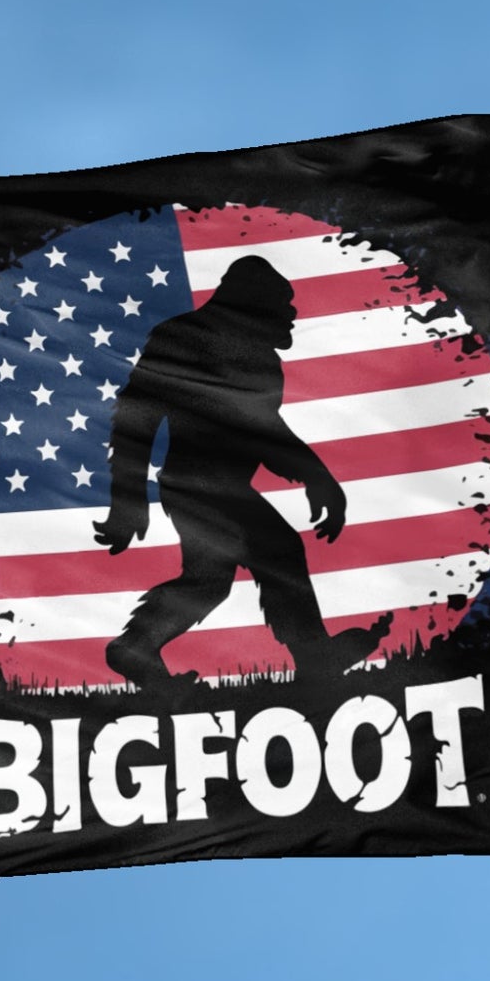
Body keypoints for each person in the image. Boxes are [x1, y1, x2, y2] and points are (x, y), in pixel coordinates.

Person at [94, 253, 391, 689]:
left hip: (221, 487)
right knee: (272, 555)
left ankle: (137, 647)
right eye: (282, 303)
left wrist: (318, 477)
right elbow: (136, 420)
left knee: (212, 580)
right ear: (254, 303)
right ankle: (312, 654)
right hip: (199, 486)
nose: (291, 314)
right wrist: (128, 503)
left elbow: (264, 430)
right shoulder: (185, 336)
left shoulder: (257, 355)